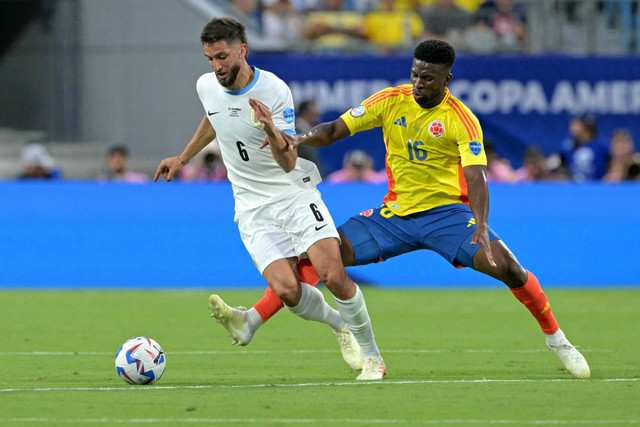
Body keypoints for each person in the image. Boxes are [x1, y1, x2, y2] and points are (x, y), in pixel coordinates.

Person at [214, 39, 591, 380]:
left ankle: (557, 340)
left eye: (428, 77)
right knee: (320, 257)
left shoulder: (461, 120)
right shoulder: (391, 100)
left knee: (507, 267)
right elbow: (332, 130)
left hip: (448, 216)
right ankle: (253, 321)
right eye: (415, 74)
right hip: (394, 216)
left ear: (447, 78)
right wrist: (298, 136)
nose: (418, 83)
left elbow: (476, 177)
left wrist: (481, 224)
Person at [154, 17, 385, 380]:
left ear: (241, 50)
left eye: (222, 57)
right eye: (210, 59)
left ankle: (373, 358)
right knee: (288, 291)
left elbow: (290, 159)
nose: (216, 67)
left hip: (292, 195)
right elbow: (214, 117)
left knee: (334, 276)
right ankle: (341, 326)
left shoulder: (275, 90)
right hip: (250, 208)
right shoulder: (207, 85)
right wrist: (183, 158)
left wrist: (271, 130)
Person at [556, 113, 610, 182]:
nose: (572, 127)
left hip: (598, 185)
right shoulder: (567, 145)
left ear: (586, 126)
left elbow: (612, 166)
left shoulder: (602, 145)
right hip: (573, 187)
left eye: (576, 124)